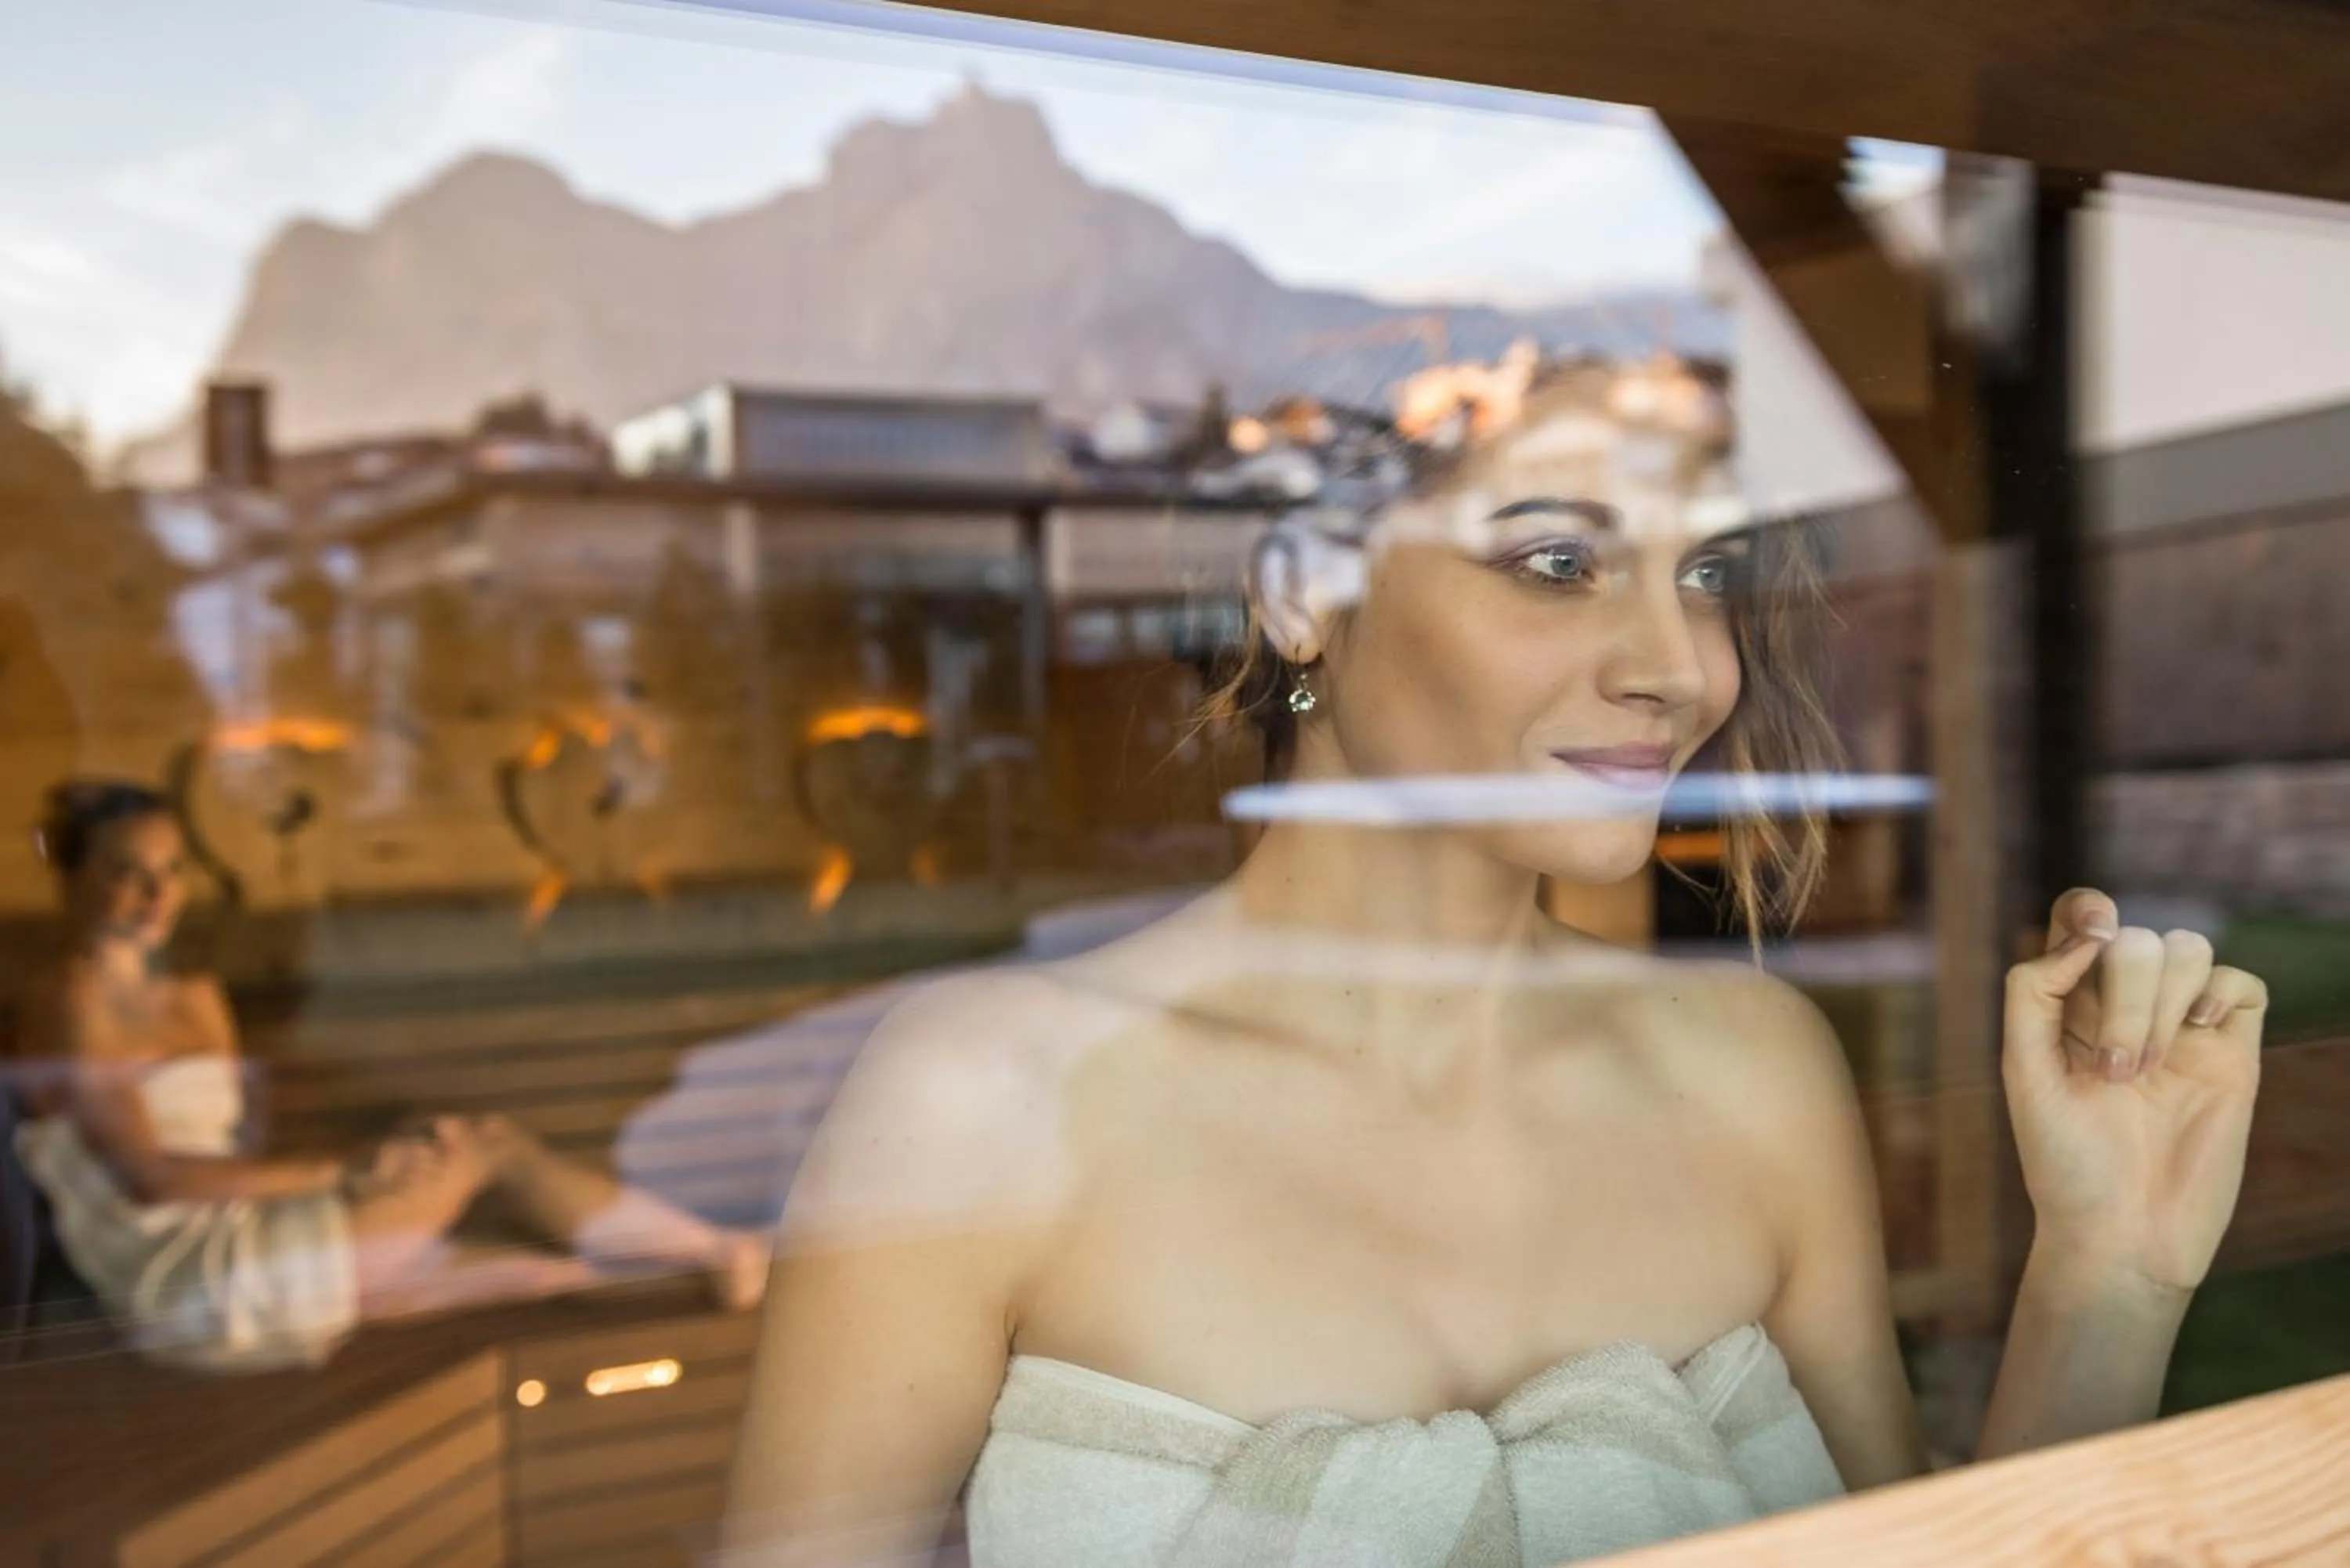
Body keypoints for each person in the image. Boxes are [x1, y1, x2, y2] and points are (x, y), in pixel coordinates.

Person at [721, 378, 2265, 1566]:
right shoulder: (985, 1097)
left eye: (1709, 575)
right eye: (1558, 559)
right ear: (1302, 590)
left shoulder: (1753, 1064)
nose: (1679, 665)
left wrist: (2106, 1271)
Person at [9, 779, 768, 1373]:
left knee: (540, 1271)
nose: (157, 896)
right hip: (194, 1281)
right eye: (126, 872)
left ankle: (703, 1276)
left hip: (249, 1236)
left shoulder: (195, 995)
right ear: (73, 876)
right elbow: (151, 1179)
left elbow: (240, 1144)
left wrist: (349, 1174)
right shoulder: (73, 1006)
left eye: (172, 871)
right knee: (485, 1146)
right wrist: (344, 1171)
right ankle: (719, 1250)